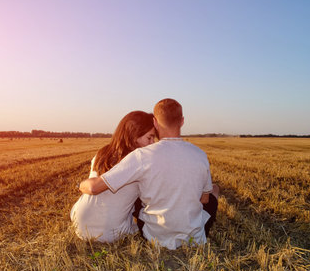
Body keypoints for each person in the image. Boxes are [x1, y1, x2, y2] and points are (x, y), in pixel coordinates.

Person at [80, 98, 218, 250]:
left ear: (155, 122)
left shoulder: (140, 156)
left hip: (154, 237)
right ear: (182, 121)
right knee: (213, 193)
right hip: (193, 239)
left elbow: (95, 187)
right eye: (149, 138)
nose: (152, 141)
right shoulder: (200, 155)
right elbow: (204, 199)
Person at [70, 111, 156, 242]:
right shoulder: (139, 160)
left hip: (78, 224)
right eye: (149, 138)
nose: (152, 143)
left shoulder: (102, 153)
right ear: (134, 136)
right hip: (109, 233)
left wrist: (79, 185)